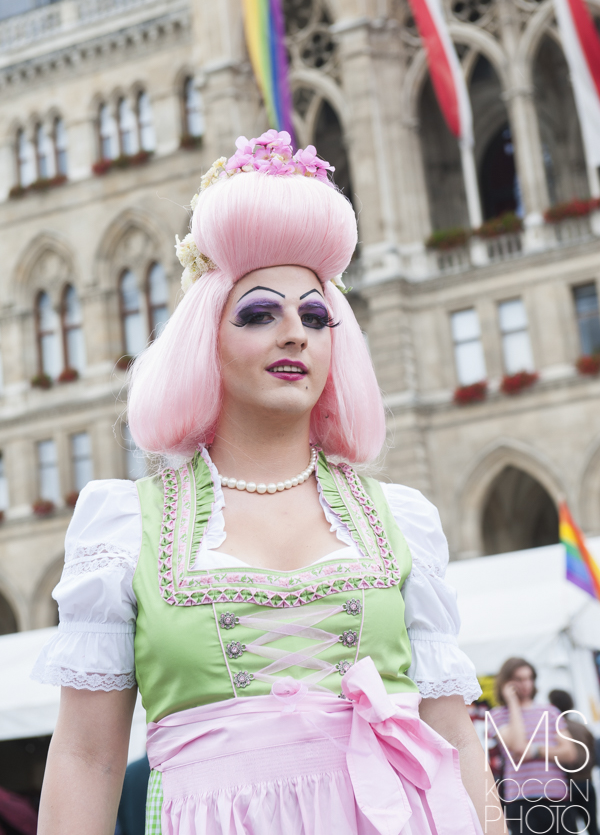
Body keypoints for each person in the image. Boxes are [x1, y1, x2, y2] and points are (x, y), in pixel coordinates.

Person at [34, 130, 506, 835]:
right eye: (261, 313)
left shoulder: (400, 521)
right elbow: (86, 757)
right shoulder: (123, 529)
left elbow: (454, 736)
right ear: (207, 339)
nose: (296, 333)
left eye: (316, 316)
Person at [491, 658, 578, 835]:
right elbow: (517, 745)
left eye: (529, 678)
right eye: (520, 679)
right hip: (520, 798)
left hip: (556, 794)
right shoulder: (497, 715)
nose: (526, 684)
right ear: (507, 682)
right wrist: (513, 703)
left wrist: (535, 751)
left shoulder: (550, 711)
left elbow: (570, 753)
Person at [549, 688, 599, 835]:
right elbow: (594, 754)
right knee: (593, 827)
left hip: (566, 786)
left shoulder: (553, 729)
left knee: (570, 828)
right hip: (587, 783)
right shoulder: (583, 728)